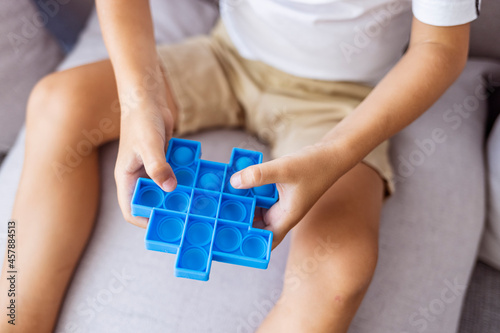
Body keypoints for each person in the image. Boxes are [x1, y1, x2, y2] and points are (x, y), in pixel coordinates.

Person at [0, 0, 478, 332]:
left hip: (345, 103)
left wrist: (335, 154)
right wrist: (138, 99)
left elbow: (440, 49)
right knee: (56, 103)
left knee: (341, 272)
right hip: (226, 58)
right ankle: (13, 311)